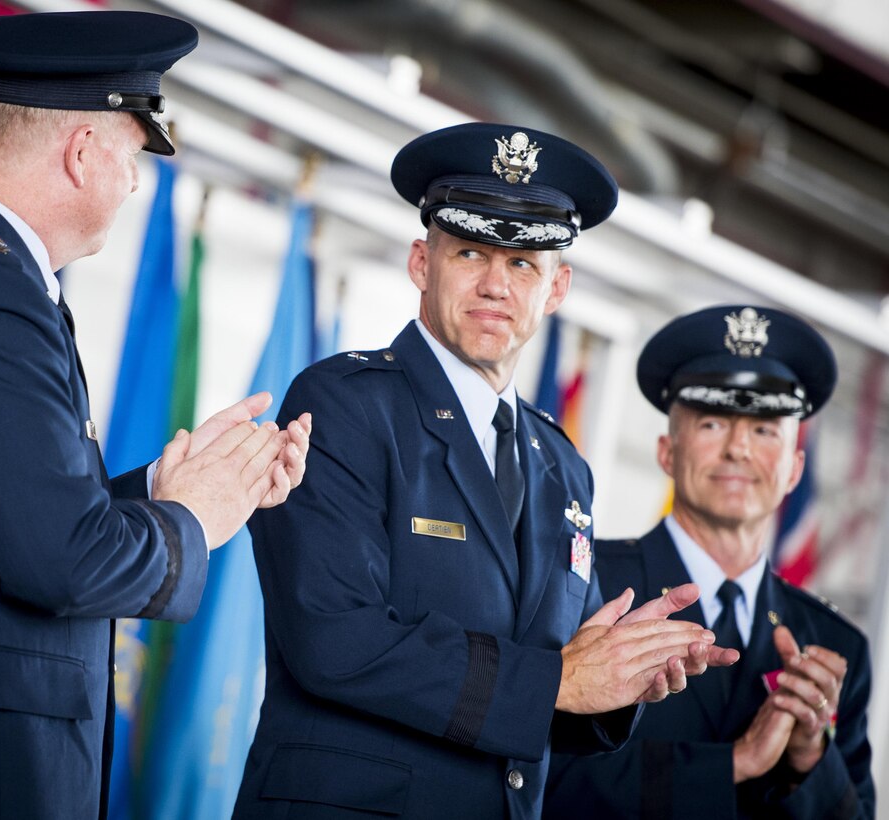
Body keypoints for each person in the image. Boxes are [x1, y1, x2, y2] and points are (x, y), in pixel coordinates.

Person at [0, 11, 310, 820]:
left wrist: (164, 486)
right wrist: (194, 520)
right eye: (133, 155)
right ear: (81, 154)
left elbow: (16, 516)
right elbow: (65, 563)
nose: (136, 182)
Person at [233, 123, 736, 820]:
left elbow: (557, 690)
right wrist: (558, 681)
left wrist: (621, 677)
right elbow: (334, 636)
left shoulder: (562, 467)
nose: (496, 284)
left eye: (524, 263)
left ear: (557, 288)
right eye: (471, 251)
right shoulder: (343, 405)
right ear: (421, 263)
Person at [544, 305, 874, 819]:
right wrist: (735, 763)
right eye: (714, 422)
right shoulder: (582, 582)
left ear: (794, 469)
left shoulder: (835, 646)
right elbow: (536, 782)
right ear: (667, 452)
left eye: (766, 431)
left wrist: (811, 759)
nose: (738, 448)